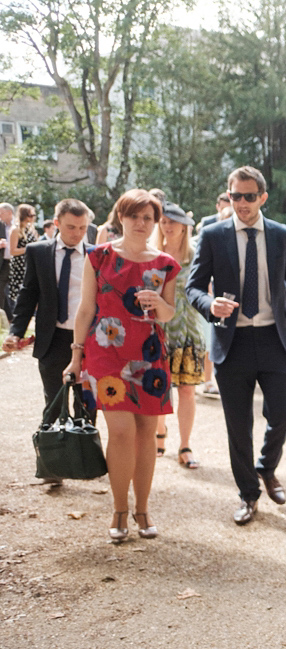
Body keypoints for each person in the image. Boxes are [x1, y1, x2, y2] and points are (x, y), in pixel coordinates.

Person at [185, 166, 286, 526]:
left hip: (273, 338)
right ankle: (248, 494)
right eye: (236, 196)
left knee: (282, 414)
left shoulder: (281, 235)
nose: (243, 203)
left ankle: (266, 467)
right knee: (238, 424)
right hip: (231, 343)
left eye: (250, 196)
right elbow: (194, 287)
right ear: (228, 196)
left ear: (262, 197)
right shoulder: (213, 234)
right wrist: (209, 304)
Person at [65, 189, 179, 542]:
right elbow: (85, 310)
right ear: (121, 217)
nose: (141, 223)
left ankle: (142, 509)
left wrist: (158, 301)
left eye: (148, 218)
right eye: (135, 216)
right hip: (106, 352)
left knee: (147, 434)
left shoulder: (165, 263)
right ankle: (118, 509)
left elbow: (169, 316)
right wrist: (75, 357)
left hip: (149, 354)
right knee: (122, 432)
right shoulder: (97, 257)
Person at [4, 199, 95, 473]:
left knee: (87, 404)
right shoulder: (38, 252)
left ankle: (84, 461)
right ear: (56, 224)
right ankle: (52, 465)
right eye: (70, 227)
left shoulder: (96, 254)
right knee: (53, 401)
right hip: (52, 337)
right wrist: (16, 331)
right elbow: (28, 293)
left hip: (88, 339)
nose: (77, 233)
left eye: (82, 228)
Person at [153, 202, 206, 469]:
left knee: (187, 390)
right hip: (158, 333)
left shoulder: (196, 255)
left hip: (189, 332)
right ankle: (159, 432)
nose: (167, 226)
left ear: (184, 226)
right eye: (163, 221)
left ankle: (185, 445)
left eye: (173, 221)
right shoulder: (152, 254)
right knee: (158, 387)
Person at [6, 204, 38, 315]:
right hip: (19, 266)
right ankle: (19, 315)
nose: (33, 217)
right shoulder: (15, 230)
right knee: (21, 292)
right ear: (25, 215)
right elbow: (13, 251)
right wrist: (29, 249)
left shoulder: (30, 229)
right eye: (31, 215)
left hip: (31, 263)